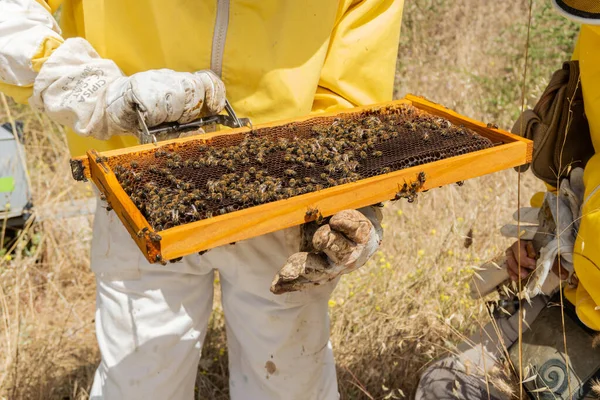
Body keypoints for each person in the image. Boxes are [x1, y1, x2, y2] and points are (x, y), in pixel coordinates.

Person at [0, 1, 404, 398]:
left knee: (288, 377)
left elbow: (349, 94)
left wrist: (351, 192)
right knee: (140, 381)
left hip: (284, 201)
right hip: (139, 191)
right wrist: (93, 89)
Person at [415, 1, 600, 399]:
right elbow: (574, 161)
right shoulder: (591, 31)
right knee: (445, 386)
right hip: (578, 298)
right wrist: (546, 237)